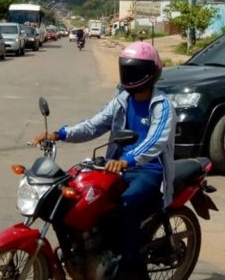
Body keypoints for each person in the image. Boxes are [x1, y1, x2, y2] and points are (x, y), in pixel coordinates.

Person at [30, 41, 175, 280]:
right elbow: (95, 124)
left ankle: (132, 268)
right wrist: (60, 134)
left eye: (136, 71)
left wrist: (128, 159)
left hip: (148, 170)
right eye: (127, 70)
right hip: (115, 167)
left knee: (126, 206)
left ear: (151, 73)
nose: (130, 76)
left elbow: (156, 140)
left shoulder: (162, 105)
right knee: (81, 196)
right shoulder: (122, 100)